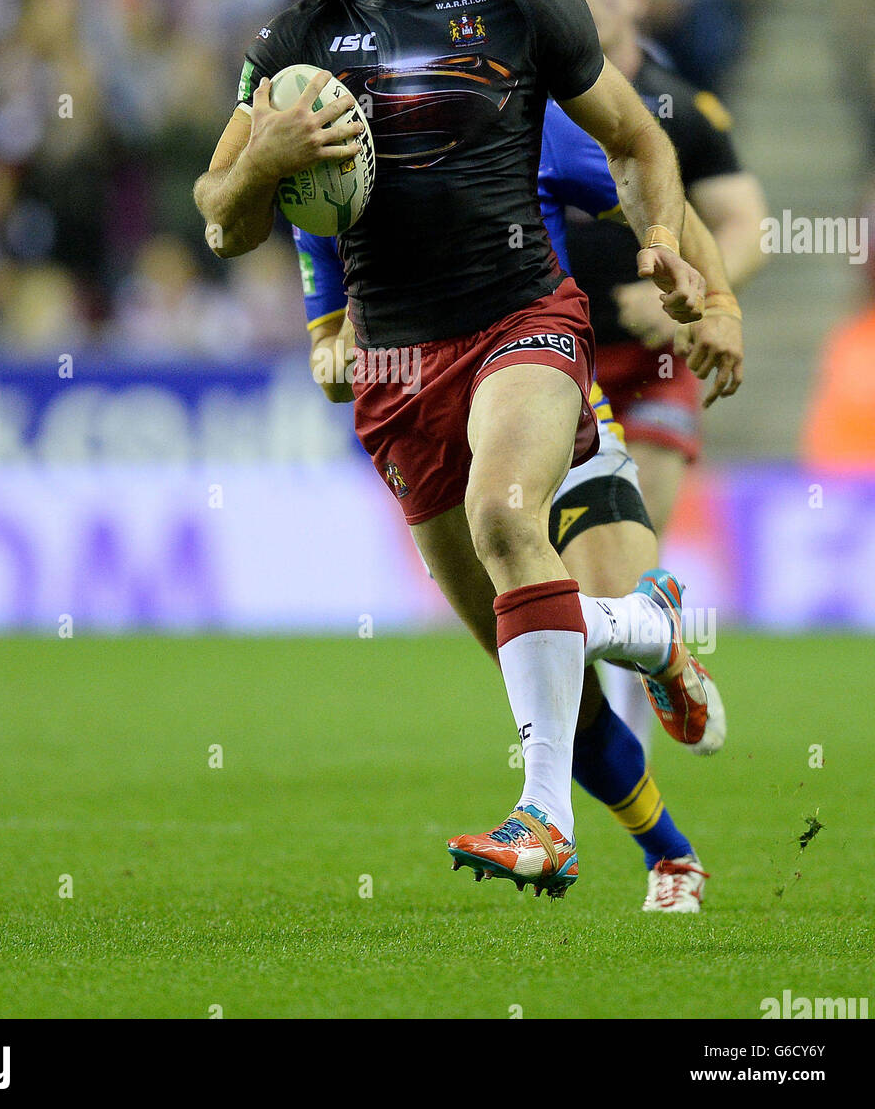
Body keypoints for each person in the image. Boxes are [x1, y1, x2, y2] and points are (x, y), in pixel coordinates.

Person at [194, 0, 711, 900]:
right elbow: (219, 215)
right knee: (535, 665)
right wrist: (262, 158)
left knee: (504, 517)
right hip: (394, 372)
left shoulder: (521, 8)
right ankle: (647, 659)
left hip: (522, 320)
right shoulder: (291, 47)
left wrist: (669, 248)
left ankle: (542, 825)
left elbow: (637, 142)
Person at [294, 216, 737, 912]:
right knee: (552, 680)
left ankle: (624, 670)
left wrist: (714, 298)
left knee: (544, 642)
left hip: (545, 401)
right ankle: (668, 846)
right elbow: (326, 366)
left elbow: (654, 183)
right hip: (426, 433)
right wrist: (342, 352)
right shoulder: (326, 193)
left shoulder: (515, 124)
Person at [539, 0, 767, 745]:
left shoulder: (679, 107)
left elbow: (744, 225)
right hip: (562, 364)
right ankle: (650, 671)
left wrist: (697, 294)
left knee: (638, 548)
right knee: (584, 566)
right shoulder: (529, 103)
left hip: (659, 360)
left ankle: (631, 720)